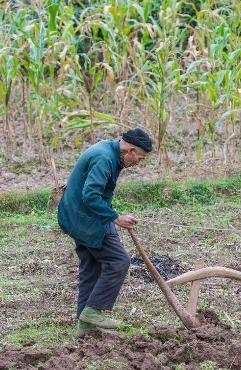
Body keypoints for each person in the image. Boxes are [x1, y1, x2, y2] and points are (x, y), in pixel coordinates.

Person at [57, 128, 152, 337]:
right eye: (140, 158)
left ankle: (84, 329)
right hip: (86, 219)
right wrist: (115, 217)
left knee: (91, 269)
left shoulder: (111, 151)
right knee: (119, 262)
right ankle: (93, 311)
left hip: (75, 216)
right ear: (131, 150)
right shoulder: (104, 158)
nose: (139, 162)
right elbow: (90, 195)